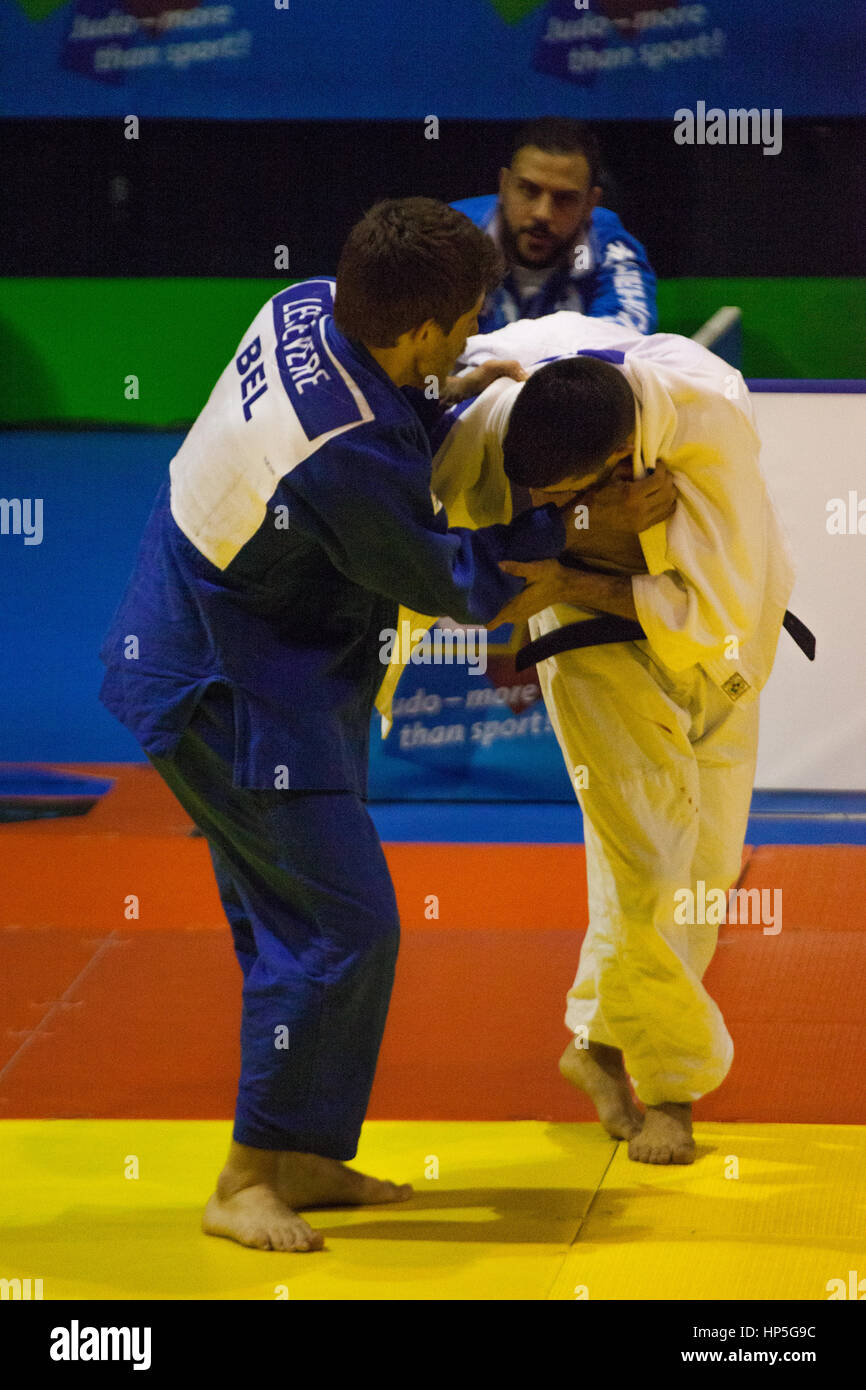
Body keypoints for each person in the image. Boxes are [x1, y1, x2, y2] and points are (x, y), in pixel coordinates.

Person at [98, 199, 575, 1252]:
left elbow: (394, 402)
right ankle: (243, 1179)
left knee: (299, 920)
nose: (466, 339)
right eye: (462, 326)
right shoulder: (344, 449)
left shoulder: (305, 300)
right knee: (339, 926)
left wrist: (457, 384)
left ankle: (304, 1153)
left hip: (232, 635)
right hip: (226, 691)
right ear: (414, 328)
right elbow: (462, 584)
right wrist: (580, 526)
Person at [418, 310, 795, 1164]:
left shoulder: (708, 427)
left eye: (566, 496)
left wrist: (565, 568)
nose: (547, 511)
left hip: (723, 643)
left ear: (625, 460)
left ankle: (593, 1043)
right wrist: (571, 546)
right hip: (592, 651)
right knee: (651, 860)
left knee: (704, 867)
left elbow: (718, 623)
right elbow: (460, 377)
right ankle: (673, 1088)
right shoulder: (524, 396)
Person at [452, 116, 657, 335]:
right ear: (504, 185)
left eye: (564, 198)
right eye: (529, 190)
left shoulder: (610, 246)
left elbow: (624, 341)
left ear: (590, 203)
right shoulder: (451, 236)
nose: (543, 213)